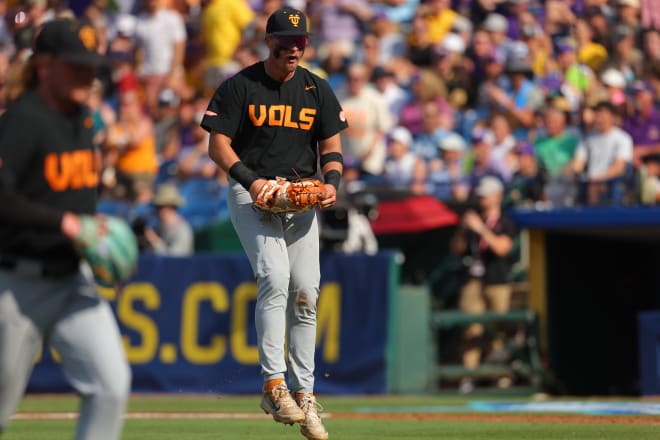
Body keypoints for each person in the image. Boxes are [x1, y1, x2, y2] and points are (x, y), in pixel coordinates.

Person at [200, 7, 347, 440]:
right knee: (275, 278)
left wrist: (332, 182)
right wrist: (253, 180)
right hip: (253, 193)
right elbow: (217, 144)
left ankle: (305, 394)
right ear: (270, 42)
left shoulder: (317, 89)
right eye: (286, 41)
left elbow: (332, 145)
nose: (294, 48)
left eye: (300, 42)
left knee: (306, 292)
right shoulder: (241, 85)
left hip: (298, 198)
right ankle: (273, 384)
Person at [0, 19, 131, 439]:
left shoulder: (82, 121)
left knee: (111, 386)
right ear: (45, 66)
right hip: (17, 284)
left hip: (73, 280)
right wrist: (67, 222)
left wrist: (94, 229)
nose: (86, 75)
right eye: (76, 65)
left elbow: (73, 195)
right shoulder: (23, 120)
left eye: (91, 66)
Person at [449, 176, 516, 394]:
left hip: (496, 280)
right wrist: (462, 229)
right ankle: (469, 376)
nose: (481, 199)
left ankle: (499, 375)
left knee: (498, 330)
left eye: (485, 195)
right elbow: (456, 249)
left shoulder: (505, 222)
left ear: (497, 196)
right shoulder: (472, 219)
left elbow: (502, 249)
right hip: (472, 279)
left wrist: (481, 229)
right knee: (471, 328)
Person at [143, 183, 194, 256]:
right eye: (157, 207)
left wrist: (155, 241)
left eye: (159, 207)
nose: (156, 211)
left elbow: (175, 258)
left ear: (169, 207)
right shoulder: (159, 227)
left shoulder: (183, 229)